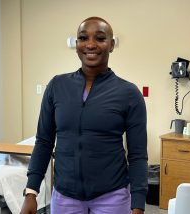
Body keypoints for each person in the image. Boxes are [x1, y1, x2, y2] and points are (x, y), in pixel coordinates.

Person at [20, 16, 148, 214]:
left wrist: (138, 204)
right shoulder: (57, 86)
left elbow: (138, 155)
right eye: (83, 38)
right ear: (77, 43)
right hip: (65, 198)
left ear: (111, 45)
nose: (90, 44)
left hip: (112, 197)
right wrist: (31, 192)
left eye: (99, 38)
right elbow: (44, 142)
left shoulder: (129, 93)